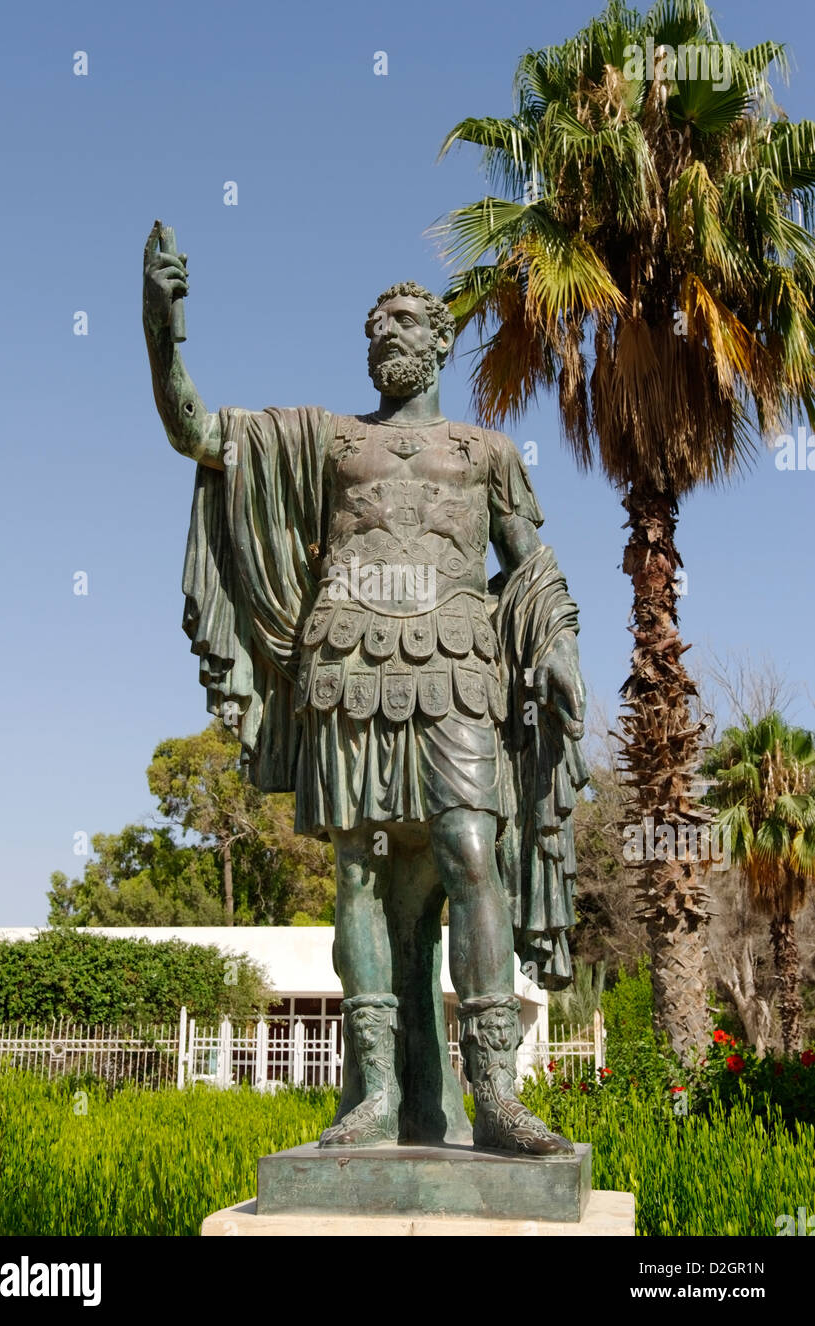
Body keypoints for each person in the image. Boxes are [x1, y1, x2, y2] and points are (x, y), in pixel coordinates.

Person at [144, 226, 588, 1154]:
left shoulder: (485, 450)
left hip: (458, 669)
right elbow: (196, 430)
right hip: (349, 672)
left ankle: (497, 1093)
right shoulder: (327, 440)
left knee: (472, 853)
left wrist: (555, 643)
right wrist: (163, 326)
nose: (383, 335)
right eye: (372, 327)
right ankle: (375, 1095)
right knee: (358, 870)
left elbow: (533, 563)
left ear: (437, 342)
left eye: (401, 323)